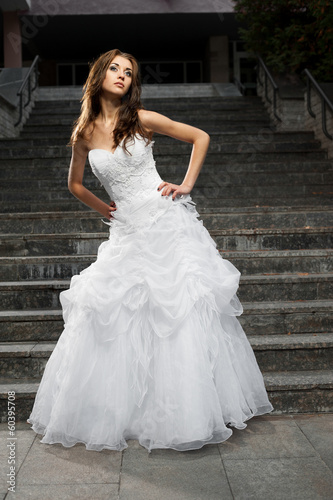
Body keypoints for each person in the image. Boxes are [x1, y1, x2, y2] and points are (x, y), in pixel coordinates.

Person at [27, 48, 273, 453]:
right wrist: (104, 209)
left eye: (129, 71)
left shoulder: (141, 119)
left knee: (174, 314)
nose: (122, 75)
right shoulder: (84, 133)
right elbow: (74, 184)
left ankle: (186, 412)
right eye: (115, 68)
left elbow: (200, 136)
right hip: (126, 232)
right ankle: (127, 413)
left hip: (163, 223)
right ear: (99, 74)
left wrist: (186, 184)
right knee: (117, 316)